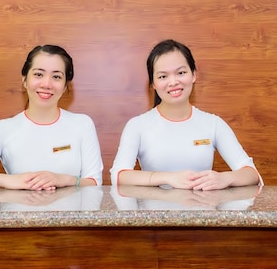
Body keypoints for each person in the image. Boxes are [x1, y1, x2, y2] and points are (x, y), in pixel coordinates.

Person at [110, 39, 262, 189]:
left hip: (203, 205)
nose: (173, 82)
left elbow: (252, 174)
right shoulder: (137, 125)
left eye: (181, 73)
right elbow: (119, 175)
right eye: (163, 76)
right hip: (153, 206)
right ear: (153, 84)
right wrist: (168, 178)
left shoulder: (213, 124)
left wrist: (224, 178)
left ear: (193, 75)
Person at [0, 44, 103, 190]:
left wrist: (63, 179)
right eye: (38, 74)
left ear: (65, 87)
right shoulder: (3, 129)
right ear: (24, 81)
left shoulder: (82, 124)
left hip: (73, 211)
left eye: (56, 77)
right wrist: (10, 180)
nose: (46, 84)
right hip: (18, 210)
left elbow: (94, 183)